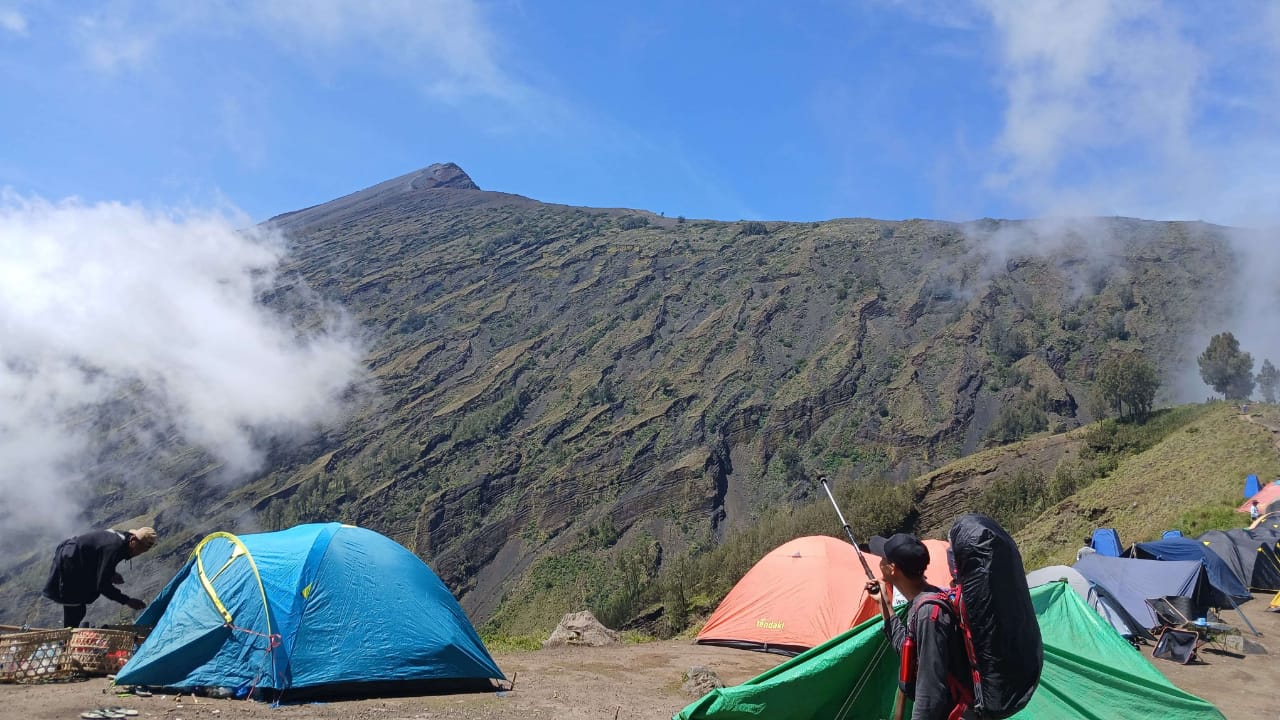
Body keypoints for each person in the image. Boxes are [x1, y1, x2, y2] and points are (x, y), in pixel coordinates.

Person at [867, 533, 973, 720]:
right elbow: (910, 652)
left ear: (892, 568)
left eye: (883, 558)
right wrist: (885, 605)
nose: (879, 562)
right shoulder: (926, 599)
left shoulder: (928, 613)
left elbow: (930, 692)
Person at [42, 527, 157, 628]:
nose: (137, 554)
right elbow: (102, 585)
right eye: (138, 550)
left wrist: (111, 573)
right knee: (76, 608)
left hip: (79, 561)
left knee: (78, 608)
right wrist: (127, 600)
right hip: (71, 561)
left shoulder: (122, 540)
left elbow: (99, 555)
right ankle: (65, 643)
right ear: (133, 540)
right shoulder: (115, 548)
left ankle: (67, 640)